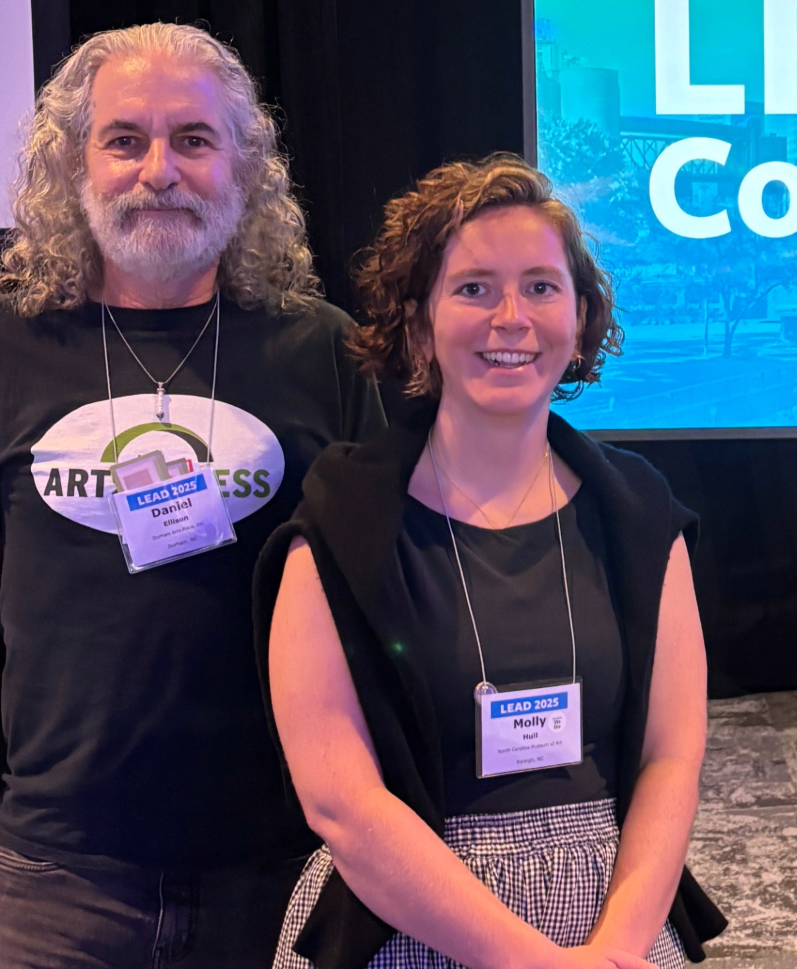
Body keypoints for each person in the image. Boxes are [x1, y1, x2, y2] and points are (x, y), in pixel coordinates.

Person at [0, 23, 386, 969]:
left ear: (245, 165)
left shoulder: (321, 350)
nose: (160, 169)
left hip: (287, 872)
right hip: (54, 881)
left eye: (193, 139)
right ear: (73, 165)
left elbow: (388, 615)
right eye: (125, 140)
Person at [256, 155, 725, 969]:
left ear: (581, 319)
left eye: (541, 287)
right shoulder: (341, 523)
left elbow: (670, 757)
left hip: (614, 920)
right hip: (412, 924)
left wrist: (615, 949)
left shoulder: (640, 512)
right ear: (417, 325)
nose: (512, 316)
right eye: (474, 288)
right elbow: (343, 805)